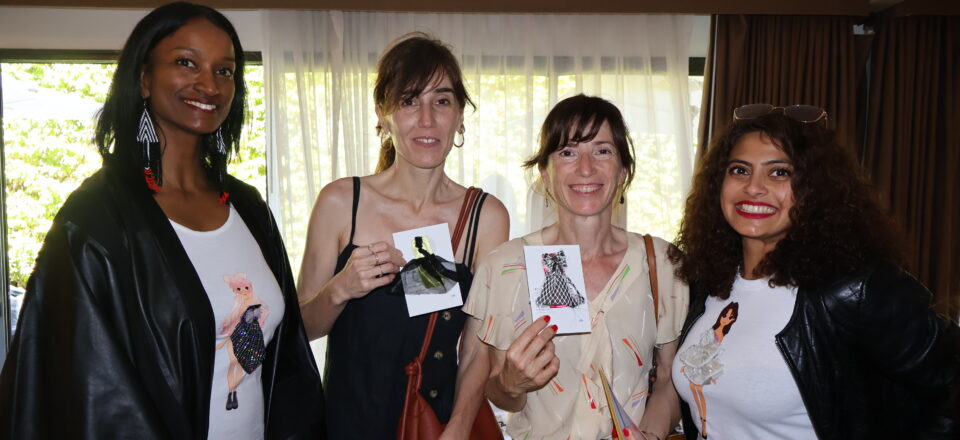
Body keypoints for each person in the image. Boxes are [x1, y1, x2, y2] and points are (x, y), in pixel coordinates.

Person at [0, 3, 324, 438]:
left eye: (225, 71)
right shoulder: (96, 219)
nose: (208, 84)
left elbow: (288, 365)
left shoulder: (248, 207)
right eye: (186, 62)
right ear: (144, 78)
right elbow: (83, 391)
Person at [668, 105, 960, 440]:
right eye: (739, 170)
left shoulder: (856, 289)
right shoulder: (706, 283)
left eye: (779, 173)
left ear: (814, 189)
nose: (754, 187)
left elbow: (950, 390)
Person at [297, 33, 509, 439]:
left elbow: (479, 345)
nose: (426, 119)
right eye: (409, 101)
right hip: (348, 420)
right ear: (382, 114)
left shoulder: (485, 216)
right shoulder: (342, 201)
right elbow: (303, 327)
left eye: (442, 101)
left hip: (434, 423)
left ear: (460, 115)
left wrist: (460, 427)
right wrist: (341, 288)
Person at [464, 94, 689, 440]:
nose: (586, 168)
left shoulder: (662, 263)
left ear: (623, 170)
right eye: (567, 152)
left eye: (602, 151)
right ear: (545, 173)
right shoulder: (505, 266)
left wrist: (651, 435)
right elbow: (500, 392)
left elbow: (670, 378)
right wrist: (510, 383)